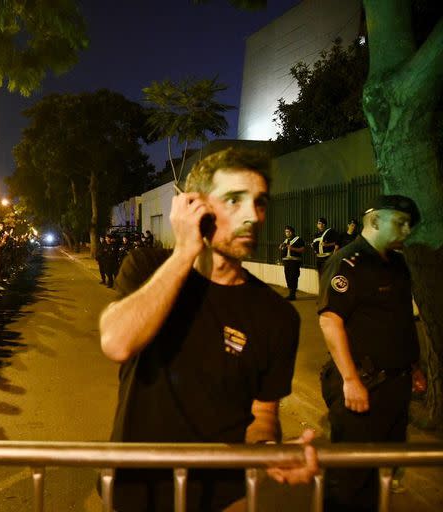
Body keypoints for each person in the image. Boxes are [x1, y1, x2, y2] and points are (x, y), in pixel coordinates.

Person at [99, 148, 317, 511]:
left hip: (222, 498)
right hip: (137, 492)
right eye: (234, 200)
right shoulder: (146, 267)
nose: (252, 215)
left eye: (259, 202)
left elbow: (263, 417)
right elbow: (117, 342)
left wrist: (268, 452)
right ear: (194, 207)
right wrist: (185, 251)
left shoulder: (277, 316)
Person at [318, 195, 426, 512]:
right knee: (349, 479)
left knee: (383, 472)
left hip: (395, 386)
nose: (407, 230)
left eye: (411, 224)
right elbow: (330, 320)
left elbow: (400, 321)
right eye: (400, 222)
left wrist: (413, 367)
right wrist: (350, 380)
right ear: (376, 221)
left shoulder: (396, 265)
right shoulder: (348, 262)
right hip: (363, 385)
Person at [279, 225, 305, 300]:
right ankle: (290, 292)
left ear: (291, 232)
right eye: (286, 232)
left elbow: (302, 249)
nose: (286, 233)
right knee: (287, 277)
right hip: (286, 262)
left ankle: (292, 294)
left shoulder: (298, 239)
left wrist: (293, 248)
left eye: (287, 231)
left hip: (294, 261)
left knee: (293, 277)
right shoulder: (286, 240)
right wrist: (281, 247)